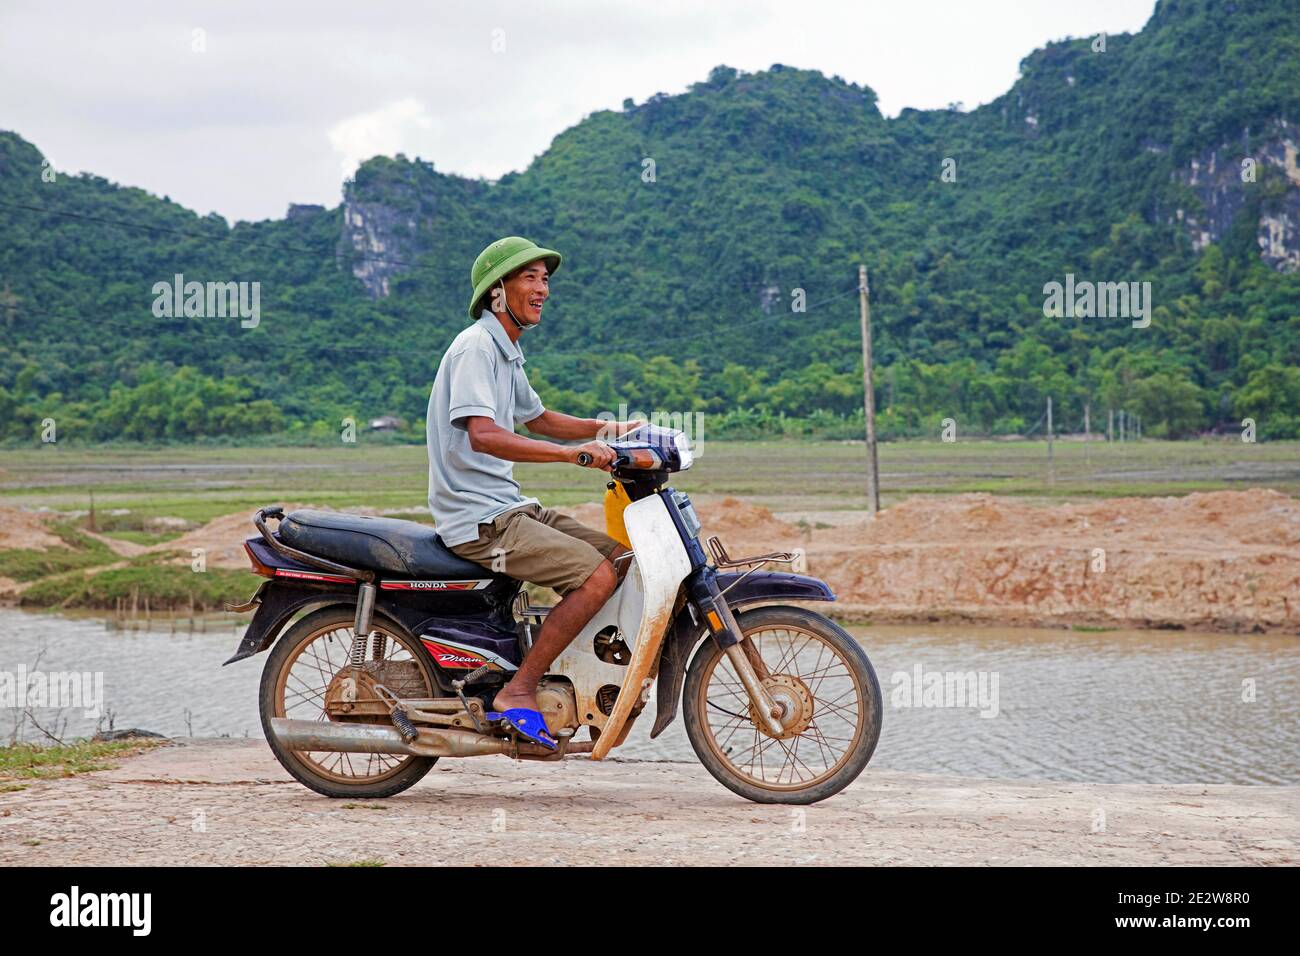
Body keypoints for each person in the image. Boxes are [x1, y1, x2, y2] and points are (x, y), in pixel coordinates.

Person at [426, 236, 642, 749]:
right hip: (480, 521)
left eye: (545, 278)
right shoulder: (477, 347)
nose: (542, 288)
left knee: (626, 560)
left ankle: (586, 679)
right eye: (530, 277)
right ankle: (519, 689)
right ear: (498, 292)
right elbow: (484, 433)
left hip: (510, 506)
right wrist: (571, 455)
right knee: (593, 577)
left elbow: (540, 419)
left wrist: (611, 429)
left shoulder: (507, 350)